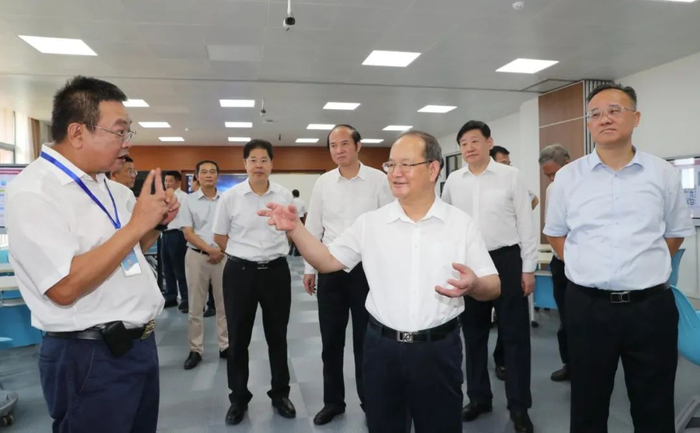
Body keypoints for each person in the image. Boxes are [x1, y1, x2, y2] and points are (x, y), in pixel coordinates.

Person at [260, 130, 500, 433]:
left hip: (438, 351)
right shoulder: (371, 223)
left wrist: (474, 285)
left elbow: (493, 284)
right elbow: (327, 260)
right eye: (391, 165)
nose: (396, 173)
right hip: (382, 350)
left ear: (433, 169)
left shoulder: (459, 224)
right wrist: (295, 229)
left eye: (406, 165)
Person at [6, 76, 179, 432]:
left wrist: (155, 225)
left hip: (138, 345)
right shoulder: (34, 191)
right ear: (77, 132)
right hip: (88, 354)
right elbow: (64, 287)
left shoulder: (110, 189)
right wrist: (136, 225)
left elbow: (129, 252)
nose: (127, 142)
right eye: (119, 131)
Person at [544, 83, 694, 433]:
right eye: (595, 114)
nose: (604, 119)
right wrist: (583, 265)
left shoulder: (662, 173)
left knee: (654, 404)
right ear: (588, 124)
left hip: (650, 308)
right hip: (588, 307)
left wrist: (642, 266)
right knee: (588, 403)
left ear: (635, 118)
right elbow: (555, 233)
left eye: (614, 110)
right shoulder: (568, 178)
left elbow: (675, 232)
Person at [442, 120, 537, 433]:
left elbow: (526, 224)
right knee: (473, 335)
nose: (469, 148)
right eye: (463, 143)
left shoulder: (511, 176)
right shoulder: (454, 181)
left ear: (489, 143)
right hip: (471, 262)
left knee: (515, 337)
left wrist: (528, 268)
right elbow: (445, 222)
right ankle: (478, 397)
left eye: (474, 141)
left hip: (507, 260)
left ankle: (519, 407)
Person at [303, 124, 393, 425]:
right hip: (331, 268)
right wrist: (310, 267)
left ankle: (370, 401)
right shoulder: (324, 183)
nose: (338, 150)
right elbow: (313, 226)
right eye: (333, 145)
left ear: (358, 146)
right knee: (331, 341)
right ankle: (333, 402)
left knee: (366, 342)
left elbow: (389, 224)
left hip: (367, 271)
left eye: (344, 143)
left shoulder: (378, 180)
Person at [213, 140, 297, 425]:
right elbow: (220, 237)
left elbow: (291, 231)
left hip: (276, 272)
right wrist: (244, 255)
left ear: (272, 164)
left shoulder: (284, 194)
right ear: (245, 164)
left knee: (278, 336)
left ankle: (280, 394)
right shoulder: (231, 197)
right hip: (240, 273)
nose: (259, 165)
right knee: (238, 338)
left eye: (264, 160)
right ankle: (238, 398)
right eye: (253, 160)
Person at [179, 160, 229, 370]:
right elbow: (187, 232)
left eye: (213, 171)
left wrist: (220, 250)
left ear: (218, 176)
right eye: (204, 172)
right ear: (197, 176)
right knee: (195, 305)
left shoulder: (227, 200)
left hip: (224, 256)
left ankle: (225, 346)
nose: (209, 175)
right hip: (197, 256)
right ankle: (195, 349)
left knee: (224, 304)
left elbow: (233, 228)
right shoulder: (188, 201)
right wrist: (210, 250)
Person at [538, 144, 571, 382]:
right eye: (547, 175)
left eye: (554, 173)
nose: (552, 179)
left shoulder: (589, 183)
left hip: (588, 263)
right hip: (562, 261)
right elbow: (552, 229)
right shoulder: (553, 189)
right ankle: (569, 364)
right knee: (566, 318)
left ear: (567, 163)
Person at [162, 170, 189, 312]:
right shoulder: (162, 197)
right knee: (166, 267)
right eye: (165, 181)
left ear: (178, 182)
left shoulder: (184, 197)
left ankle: (186, 298)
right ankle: (170, 296)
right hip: (164, 234)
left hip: (177, 234)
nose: (167, 184)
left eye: (170, 181)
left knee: (180, 268)